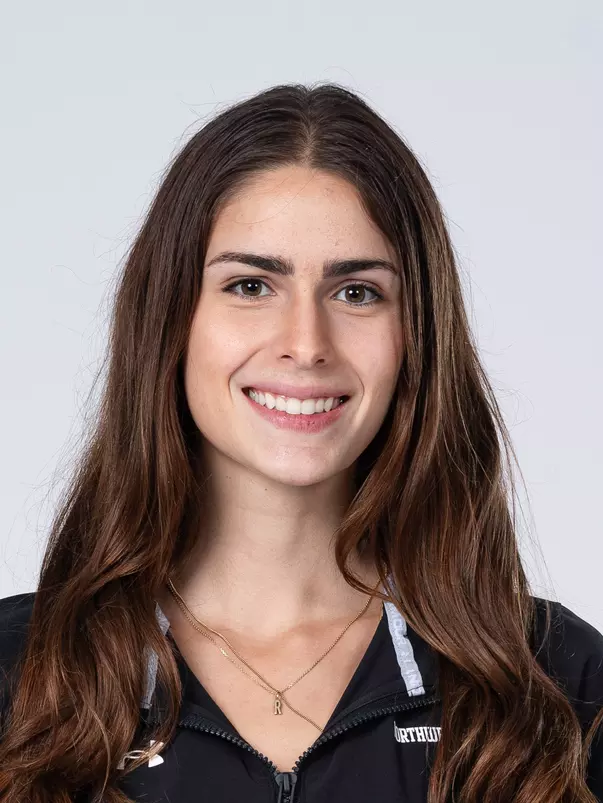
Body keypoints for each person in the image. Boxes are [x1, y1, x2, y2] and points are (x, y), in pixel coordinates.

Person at [0, 82, 601, 803]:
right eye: (251, 285)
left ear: (416, 336)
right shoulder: (19, 674)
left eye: (357, 292)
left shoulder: (557, 681)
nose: (305, 344)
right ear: (171, 320)